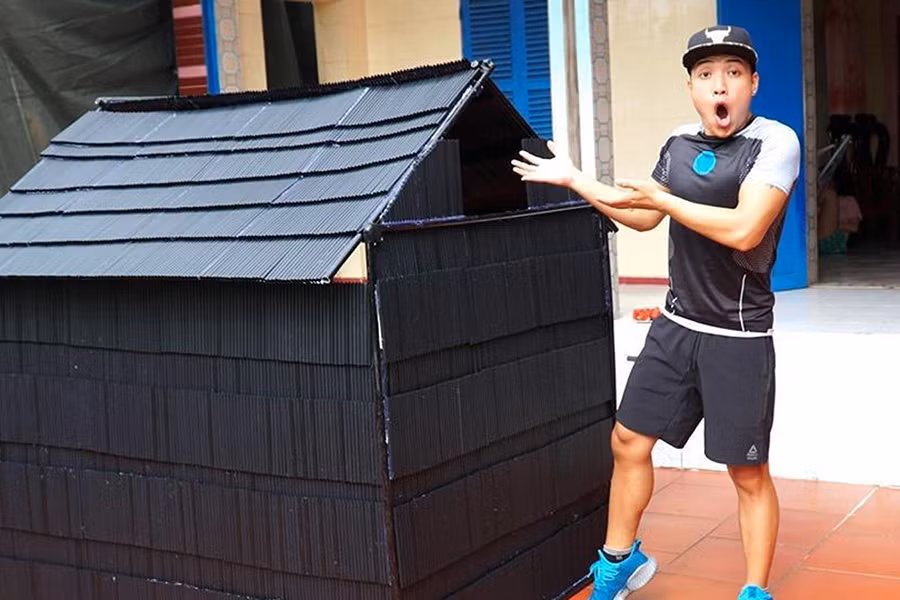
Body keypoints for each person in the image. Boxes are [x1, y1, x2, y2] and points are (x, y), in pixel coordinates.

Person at [512, 25, 800, 600]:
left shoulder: (775, 142)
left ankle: (755, 590)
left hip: (738, 335)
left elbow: (744, 231)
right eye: (706, 75)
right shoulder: (679, 142)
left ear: (753, 83)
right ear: (691, 88)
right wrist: (576, 180)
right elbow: (642, 215)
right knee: (628, 441)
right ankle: (620, 562)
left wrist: (665, 199)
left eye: (733, 73)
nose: (720, 86)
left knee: (747, 472)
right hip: (676, 325)